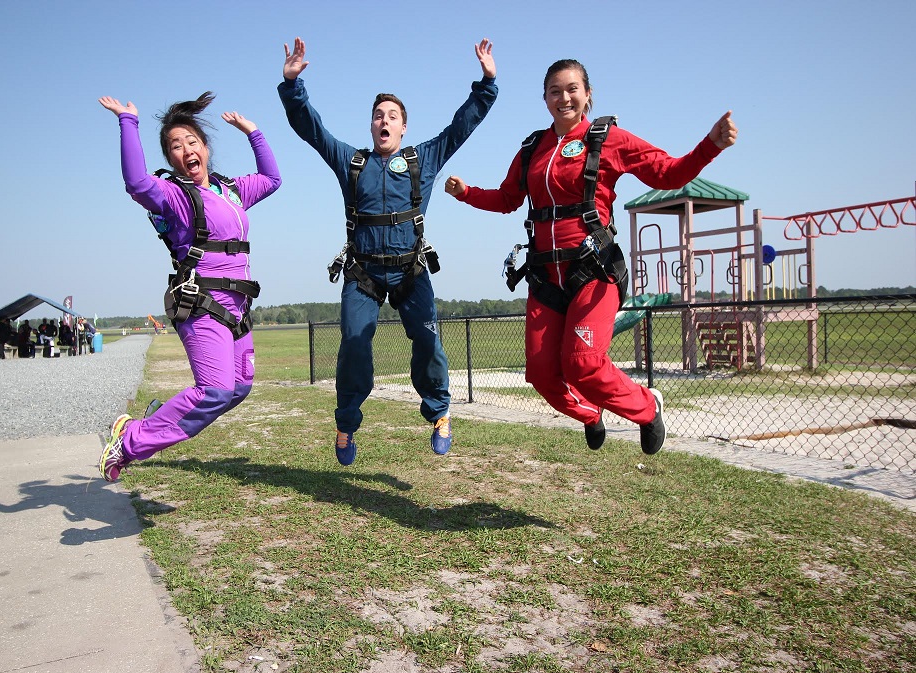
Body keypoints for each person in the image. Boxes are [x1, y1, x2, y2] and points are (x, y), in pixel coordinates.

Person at [444, 58, 737, 455]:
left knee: (581, 362)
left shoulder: (607, 138)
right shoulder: (533, 148)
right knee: (544, 375)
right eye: (554, 91)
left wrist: (710, 146)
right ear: (544, 98)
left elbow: (667, 173)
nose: (563, 98)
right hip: (546, 277)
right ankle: (590, 414)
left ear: (587, 95)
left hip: (592, 270)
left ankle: (647, 407)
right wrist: (467, 193)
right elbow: (508, 198)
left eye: (572, 89)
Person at [278, 37, 498, 466]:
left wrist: (486, 83)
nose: (384, 120)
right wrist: (292, 87)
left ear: (403, 128)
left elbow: (461, 126)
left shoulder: (423, 159)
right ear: (371, 126)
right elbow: (313, 131)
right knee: (354, 346)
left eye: (392, 116)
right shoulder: (352, 162)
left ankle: (439, 413)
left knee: (428, 342)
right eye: (378, 115)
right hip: (362, 273)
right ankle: (346, 424)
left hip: (410, 272)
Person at [97, 91, 281, 482]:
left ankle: (146, 425)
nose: (186, 150)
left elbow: (272, 179)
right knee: (214, 390)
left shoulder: (230, 191)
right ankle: (128, 444)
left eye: (192, 141)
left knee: (238, 388)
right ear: (171, 160)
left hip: (237, 309)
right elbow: (136, 184)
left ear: (206, 148)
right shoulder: (176, 197)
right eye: (175, 147)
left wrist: (254, 132)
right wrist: (128, 122)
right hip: (201, 304)